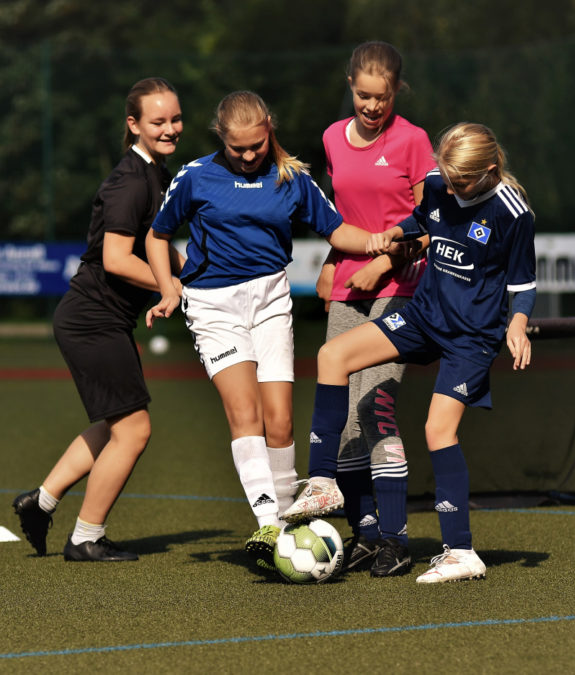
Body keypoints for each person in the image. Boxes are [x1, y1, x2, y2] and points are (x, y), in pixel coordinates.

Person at [283, 122, 537, 584]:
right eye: (449, 178)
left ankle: (460, 552)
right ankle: (322, 484)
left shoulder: (512, 212)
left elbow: (523, 282)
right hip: (423, 316)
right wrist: (392, 235)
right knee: (331, 357)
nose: (453, 188)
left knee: (437, 430)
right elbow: (423, 219)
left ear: (490, 171)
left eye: (463, 182)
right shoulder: (440, 184)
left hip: (471, 338)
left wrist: (517, 325)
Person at [145, 90, 377, 572]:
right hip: (213, 305)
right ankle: (271, 525)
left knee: (282, 419)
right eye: (238, 150)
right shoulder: (195, 176)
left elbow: (337, 232)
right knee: (244, 410)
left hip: (271, 298)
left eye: (257, 145)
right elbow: (157, 234)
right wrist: (168, 287)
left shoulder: (292, 177)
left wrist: (378, 241)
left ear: (269, 127)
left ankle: (289, 522)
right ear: (221, 141)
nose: (249, 156)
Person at [12, 77, 186, 562]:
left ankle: (40, 503)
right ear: (133, 125)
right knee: (134, 429)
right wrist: (172, 286)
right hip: (92, 318)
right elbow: (115, 259)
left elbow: (154, 243)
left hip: (102, 319)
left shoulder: (156, 173)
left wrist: (186, 270)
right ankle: (86, 537)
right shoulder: (131, 179)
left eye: (175, 118)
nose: (170, 128)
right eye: (158, 121)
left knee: (116, 424)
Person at [315, 41, 436, 577]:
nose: (371, 106)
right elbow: (344, 214)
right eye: (363, 95)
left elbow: (432, 225)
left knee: (375, 407)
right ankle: (363, 532)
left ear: (396, 91)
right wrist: (328, 262)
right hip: (346, 286)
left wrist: (384, 266)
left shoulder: (412, 141)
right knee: (342, 423)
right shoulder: (330, 139)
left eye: (381, 97)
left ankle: (396, 538)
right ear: (350, 86)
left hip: (401, 287)